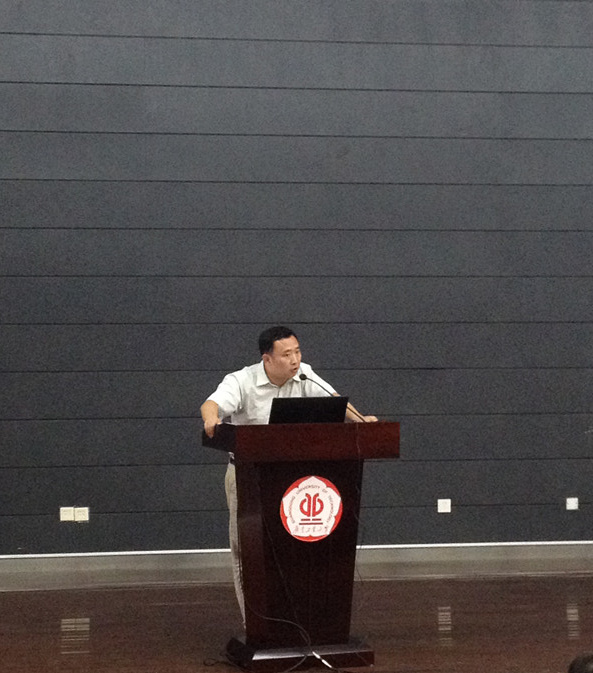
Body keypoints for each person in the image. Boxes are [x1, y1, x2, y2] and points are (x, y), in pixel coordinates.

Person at [200, 325, 378, 620]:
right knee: (248, 551)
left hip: (291, 476)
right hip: (247, 476)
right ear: (267, 358)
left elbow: (334, 399)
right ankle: (254, 624)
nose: (295, 360)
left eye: (297, 352)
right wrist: (212, 420)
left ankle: (296, 620)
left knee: (291, 550)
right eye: (286, 354)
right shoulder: (241, 380)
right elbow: (211, 404)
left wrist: (361, 420)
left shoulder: (304, 374)